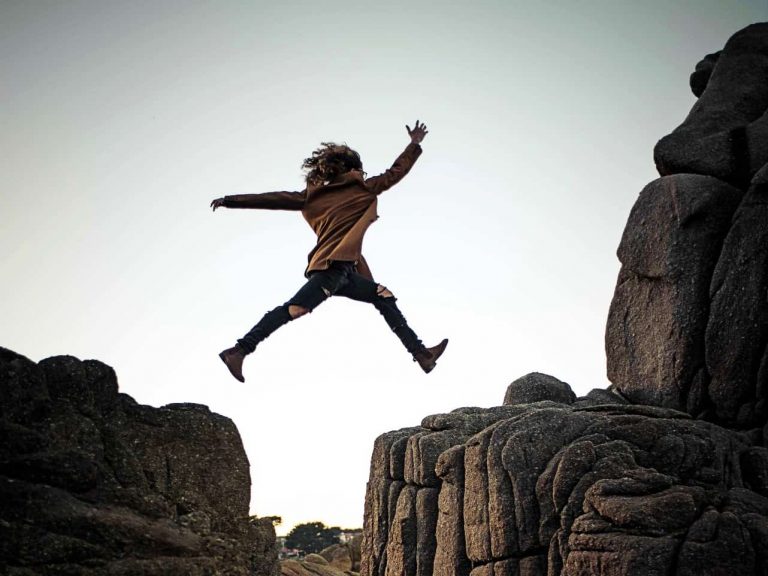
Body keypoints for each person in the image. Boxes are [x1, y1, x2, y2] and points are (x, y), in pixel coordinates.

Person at [210, 120, 448, 382]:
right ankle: (239, 350)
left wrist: (230, 200)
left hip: (344, 271)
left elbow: (271, 198)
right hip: (331, 270)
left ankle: (422, 355)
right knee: (295, 308)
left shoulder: (311, 197)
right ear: (353, 168)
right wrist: (414, 144)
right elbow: (396, 172)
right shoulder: (362, 188)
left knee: (383, 296)